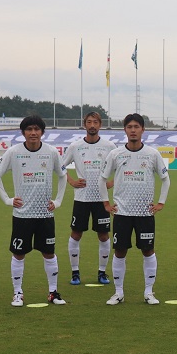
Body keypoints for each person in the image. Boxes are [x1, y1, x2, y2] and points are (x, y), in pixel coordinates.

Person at [0, 115, 67, 307]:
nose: (33, 133)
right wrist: (8, 199)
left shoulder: (51, 152)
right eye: (29, 129)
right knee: (18, 254)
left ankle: (53, 292)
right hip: (22, 215)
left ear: (42, 132)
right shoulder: (13, 152)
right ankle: (18, 293)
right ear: (23, 132)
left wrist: (58, 201)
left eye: (36, 129)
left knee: (49, 253)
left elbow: (63, 175)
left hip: (45, 214)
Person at [100, 113, 171, 306]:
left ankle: (149, 292)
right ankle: (118, 292)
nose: (133, 130)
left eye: (136, 127)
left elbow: (165, 179)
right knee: (120, 251)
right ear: (125, 130)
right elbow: (102, 179)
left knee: (148, 250)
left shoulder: (152, 154)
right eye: (129, 127)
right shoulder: (116, 154)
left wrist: (161, 203)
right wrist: (106, 204)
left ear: (142, 130)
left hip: (145, 213)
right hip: (122, 213)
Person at [61, 112, 117, 286]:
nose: (92, 125)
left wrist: (112, 182)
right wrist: (72, 181)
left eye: (95, 122)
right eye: (89, 122)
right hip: (81, 198)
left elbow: (122, 166)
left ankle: (102, 272)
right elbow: (60, 166)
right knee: (76, 234)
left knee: (103, 235)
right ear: (84, 124)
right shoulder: (75, 146)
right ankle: (75, 272)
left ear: (100, 125)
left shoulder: (109, 146)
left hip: (102, 199)